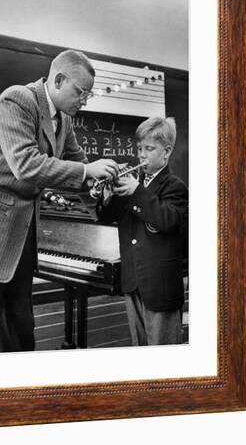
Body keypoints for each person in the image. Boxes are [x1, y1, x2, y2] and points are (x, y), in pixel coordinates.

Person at [0, 49, 119, 354]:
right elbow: (25, 165)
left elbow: (81, 165)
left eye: (89, 95)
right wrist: (86, 171)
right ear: (58, 80)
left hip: (18, 238)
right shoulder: (17, 100)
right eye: (81, 92)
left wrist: (101, 182)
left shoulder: (64, 121)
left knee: (18, 336)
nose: (84, 100)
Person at [96, 116, 188, 346]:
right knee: (140, 348)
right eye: (139, 148)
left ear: (166, 152)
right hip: (132, 281)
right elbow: (107, 217)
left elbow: (165, 220)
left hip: (160, 287)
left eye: (149, 148)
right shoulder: (134, 186)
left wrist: (136, 191)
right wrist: (107, 196)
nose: (141, 155)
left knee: (164, 356)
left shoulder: (174, 186)